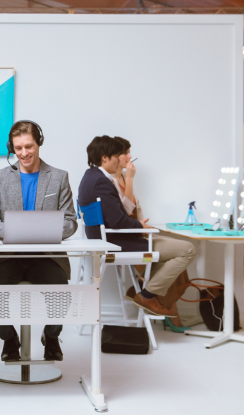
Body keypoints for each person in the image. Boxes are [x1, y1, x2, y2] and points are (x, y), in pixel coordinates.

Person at [0, 121, 78, 362]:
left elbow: (70, 222)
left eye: (29, 146)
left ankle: (51, 336)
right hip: (7, 256)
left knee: (60, 291)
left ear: (39, 143)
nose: (23, 153)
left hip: (46, 256)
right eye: (18, 148)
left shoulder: (59, 177)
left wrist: (42, 231)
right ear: (12, 148)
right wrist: (17, 231)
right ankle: (9, 338)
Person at [78, 136, 196, 318]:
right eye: (117, 156)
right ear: (104, 158)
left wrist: (139, 226)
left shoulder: (89, 177)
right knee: (187, 249)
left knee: (169, 252)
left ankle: (140, 288)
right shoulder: (101, 181)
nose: (120, 160)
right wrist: (140, 225)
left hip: (108, 239)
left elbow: (116, 217)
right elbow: (118, 221)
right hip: (117, 242)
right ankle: (146, 295)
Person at [112, 136, 189, 331]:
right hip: (129, 239)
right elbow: (123, 213)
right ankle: (153, 300)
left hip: (138, 233)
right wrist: (130, 179)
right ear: (115, 156)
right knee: (178, 257)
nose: (130, 156)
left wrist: (142, 226)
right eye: (126, 153)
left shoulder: (122, 177)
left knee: (177, 265)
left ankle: (141, 291)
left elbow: (133, 209)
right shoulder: (112, 181)